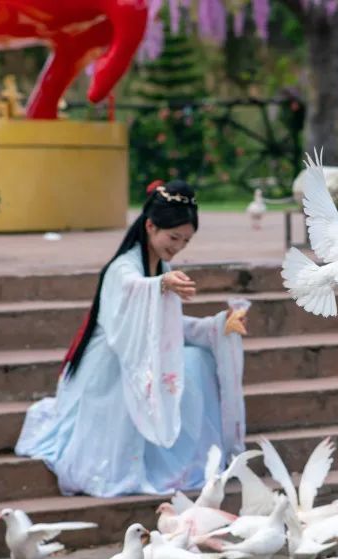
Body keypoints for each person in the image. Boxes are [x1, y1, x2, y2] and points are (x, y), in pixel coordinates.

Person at [16, 180, 249, 497]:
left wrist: (217, 326)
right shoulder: (122, 268)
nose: (178, 246)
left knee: (199, 358)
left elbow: (166, 325)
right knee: (169, 368)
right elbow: (131, 298)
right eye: (173, 237)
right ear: (151, 226)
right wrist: (160, 285)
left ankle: (187, 456)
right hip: (109, 362)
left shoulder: (161, 265)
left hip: (138, 354)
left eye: (186, 240)